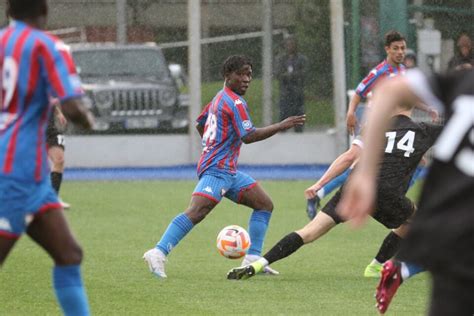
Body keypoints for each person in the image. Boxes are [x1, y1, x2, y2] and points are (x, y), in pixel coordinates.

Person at [227, 97, 442, 281]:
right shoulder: (424, 131)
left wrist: (319, 184)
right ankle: (380, 266)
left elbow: (349, 157)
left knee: (309, 232)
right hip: (386, 192)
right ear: (413, 107)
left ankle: (258, 264)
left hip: (355, 187)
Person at [143, 55, 306, 279]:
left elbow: (200, 122)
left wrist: (212, 144)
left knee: (264, 205)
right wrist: (281, 125)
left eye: (249, 74)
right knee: (197, 211)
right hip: (217, 170)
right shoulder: (235, 102)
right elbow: (248, 136)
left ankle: (252, 258)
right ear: (227, 75)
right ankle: (157, 252)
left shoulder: (218, 99)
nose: (247, 79)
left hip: (227, 170)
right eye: (241, 74)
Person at [338, 68, 473, 315]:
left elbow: (388, 90)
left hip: (444, 198)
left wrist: (366, 174)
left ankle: (401, 267)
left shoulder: (463, 82)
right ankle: (399, 266)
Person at [0, 0, 94, 315]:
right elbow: (72, 107)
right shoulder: (48, 46)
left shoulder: (2, 43)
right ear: (45, 10)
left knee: (69, 254)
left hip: (33, 177)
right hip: (16, 172)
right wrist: (89, 120)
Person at [306, 30, 408, 215]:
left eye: (402, 48)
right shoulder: (380, 71)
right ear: (387, 49)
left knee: (360, 168)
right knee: (353, 157)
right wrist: (351, 112)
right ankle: (319, 188)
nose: (400, 52)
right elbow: (359, 92)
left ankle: (321, 193)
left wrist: (429, 109)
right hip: (378, 127)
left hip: (395, 129)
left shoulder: (403, 71)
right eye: (396, 48)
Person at [274, 36, 307, 133]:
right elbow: (277, 73)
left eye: (292, 45)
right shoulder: (280, 59)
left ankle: (299, 130)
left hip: (298, 91)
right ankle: (282, 130)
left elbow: (304, 73)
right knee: (284, 111)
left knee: (298, 111)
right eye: (288, 45)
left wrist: (292, 75)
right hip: (285, 91)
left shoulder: (301, 59)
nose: (290, 47)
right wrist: (287, 76)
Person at [47, 101, 70, 209]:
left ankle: (52, 199)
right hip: (29, 128)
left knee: (59, 160)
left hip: (48, 128)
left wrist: (58, 112)